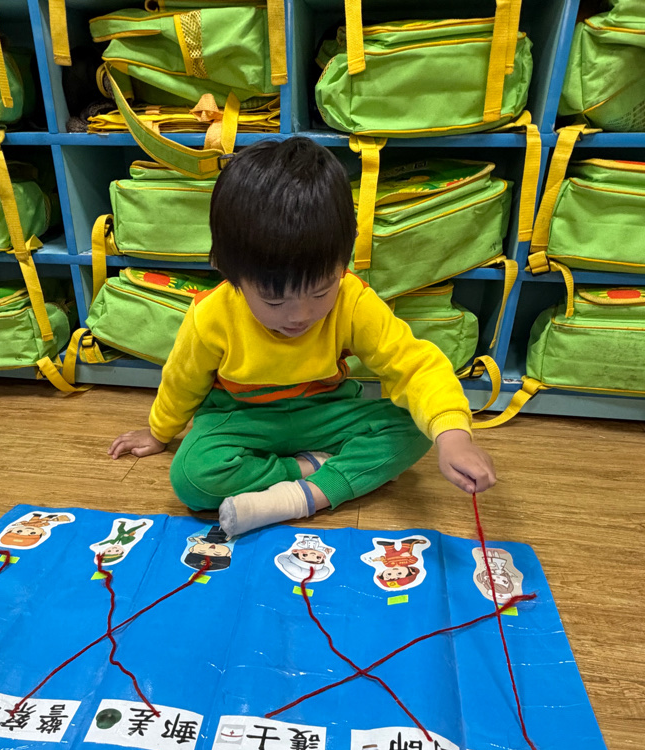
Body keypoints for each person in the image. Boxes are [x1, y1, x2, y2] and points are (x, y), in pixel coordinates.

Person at [108, 137, 496, 535]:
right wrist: (159, 431)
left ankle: (308, 493)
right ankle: (317, 470)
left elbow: (414, 366)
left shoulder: (353, 299)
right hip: (242, 418)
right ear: (231, 272)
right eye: (274, 301)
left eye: (321, 291)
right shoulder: (211, 314)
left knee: (415, 428)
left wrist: (454, 435)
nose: (301, 316)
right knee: (191, 478)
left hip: (325, 411)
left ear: (343, 261)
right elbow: (182, 380)